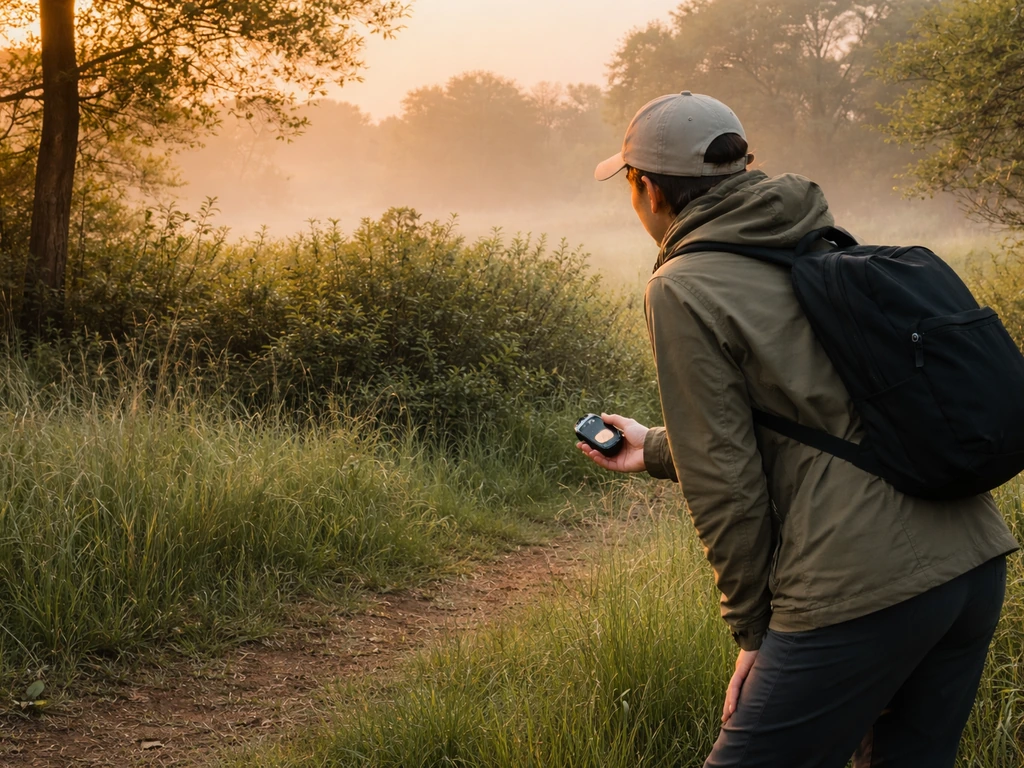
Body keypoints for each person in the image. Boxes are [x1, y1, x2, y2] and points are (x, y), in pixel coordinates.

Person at [579, 91, 1019, 767]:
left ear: (647, 189)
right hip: (972, 560)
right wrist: (658, 448)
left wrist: (754, 631)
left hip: (859, 586)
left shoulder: (683, 285)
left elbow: (724, 480)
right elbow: (821, 409)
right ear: (742, 169)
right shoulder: (812, 241)